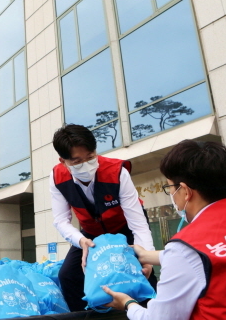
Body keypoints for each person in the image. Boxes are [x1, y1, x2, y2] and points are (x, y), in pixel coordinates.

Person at [103, 140, 226, 319]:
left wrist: (128, 304)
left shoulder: (187, 245)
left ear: (185, 191)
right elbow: (213, 256)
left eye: (170, 188)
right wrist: (144, 255)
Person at [50, 124, 156, 311]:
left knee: (142, 271)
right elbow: (60, 220)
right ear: (63, 160)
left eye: (90, 157)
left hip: (125, 227)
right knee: (68, 275)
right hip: (90, 234)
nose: (86, 164)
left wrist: (146, 258)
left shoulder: (117, 172)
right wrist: (80, 241)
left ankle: (151, 312)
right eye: (76, 161)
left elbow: (138, 224)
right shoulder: (57, 177)